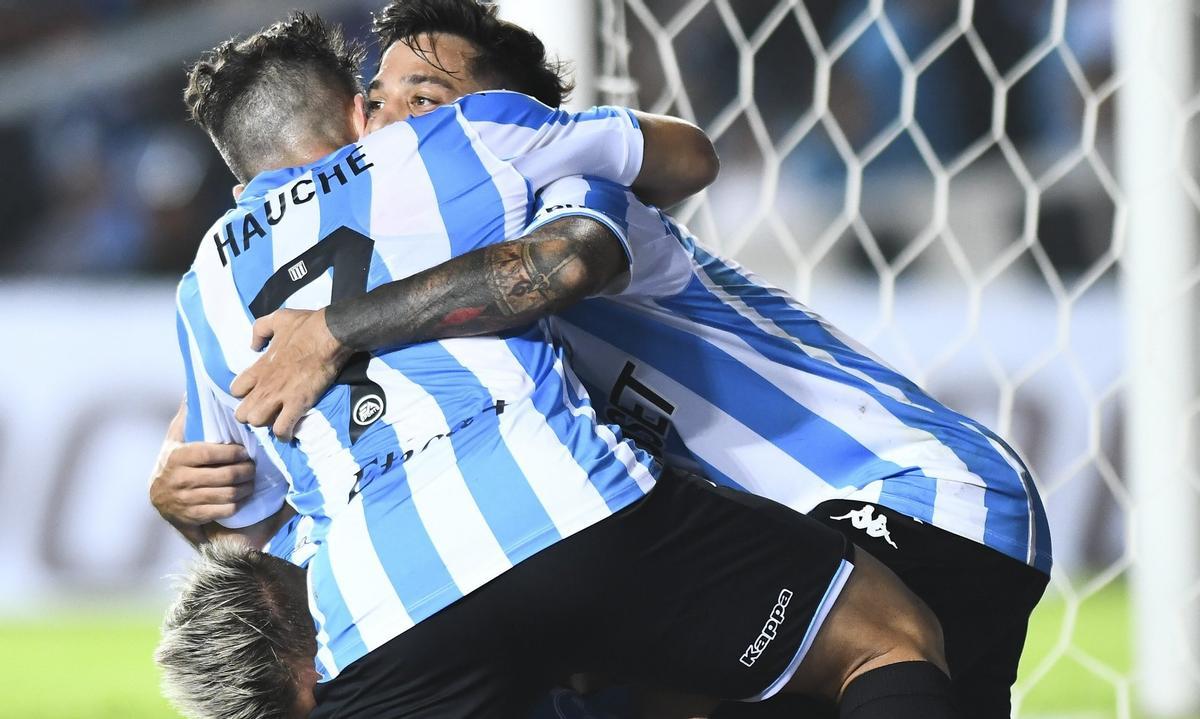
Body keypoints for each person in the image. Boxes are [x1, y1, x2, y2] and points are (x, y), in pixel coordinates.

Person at [194, 2, 1052, 717]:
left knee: (833, 650)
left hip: (906, 490)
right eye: (378, 100)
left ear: (520, 122)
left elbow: (559, 264)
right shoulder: (408, 275)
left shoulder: (568, 194)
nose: (391, 125)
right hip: (754, 535)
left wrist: (339, 325)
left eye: (432, 98)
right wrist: (193, 495)